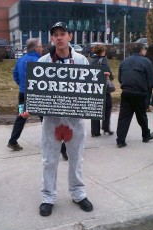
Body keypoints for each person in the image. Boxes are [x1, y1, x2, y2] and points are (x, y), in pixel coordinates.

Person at [37, 22, 93, 217]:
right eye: (55, 34)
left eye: (63, 34)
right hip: (52, 120)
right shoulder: (43, 61)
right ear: (51, 38)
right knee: (49, 160)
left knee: (76, 159)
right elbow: (36, 88)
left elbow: (88, 88)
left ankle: (78, 193)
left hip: (74, 120)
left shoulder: (81, 61)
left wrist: (99, 84)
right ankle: (48, 197)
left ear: (70, 36)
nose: (59, 37)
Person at [116, 43, 153, 148]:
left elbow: (120, 78)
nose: (145, 51)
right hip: (140, 93)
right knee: (141, 115)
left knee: (124, 117)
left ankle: (120, 140)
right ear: (141, 50)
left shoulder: (124, 61)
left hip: (126, 92)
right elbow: (150, 80)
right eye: (145, 49)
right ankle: (146, 135)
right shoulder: (146, 62)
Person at [7, 38, 43, 151]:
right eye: (40, 46)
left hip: (23, 93)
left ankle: (12, 141)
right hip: (38, 95)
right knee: (46, 118)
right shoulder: (40, 61)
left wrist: (22, 85)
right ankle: (53, 142)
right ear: (35, 48)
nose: (42, 48)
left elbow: (15, 74)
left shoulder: (21, 60)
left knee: (21, 117)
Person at [90, 44, 114, 137]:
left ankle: (95, 131)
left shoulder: (91, 60)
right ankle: (106, 127)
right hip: (104, 89)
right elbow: (110, 76)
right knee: (107, 107)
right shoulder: (103, 61)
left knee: (95, 108)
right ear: (102, 52)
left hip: (94, 88)